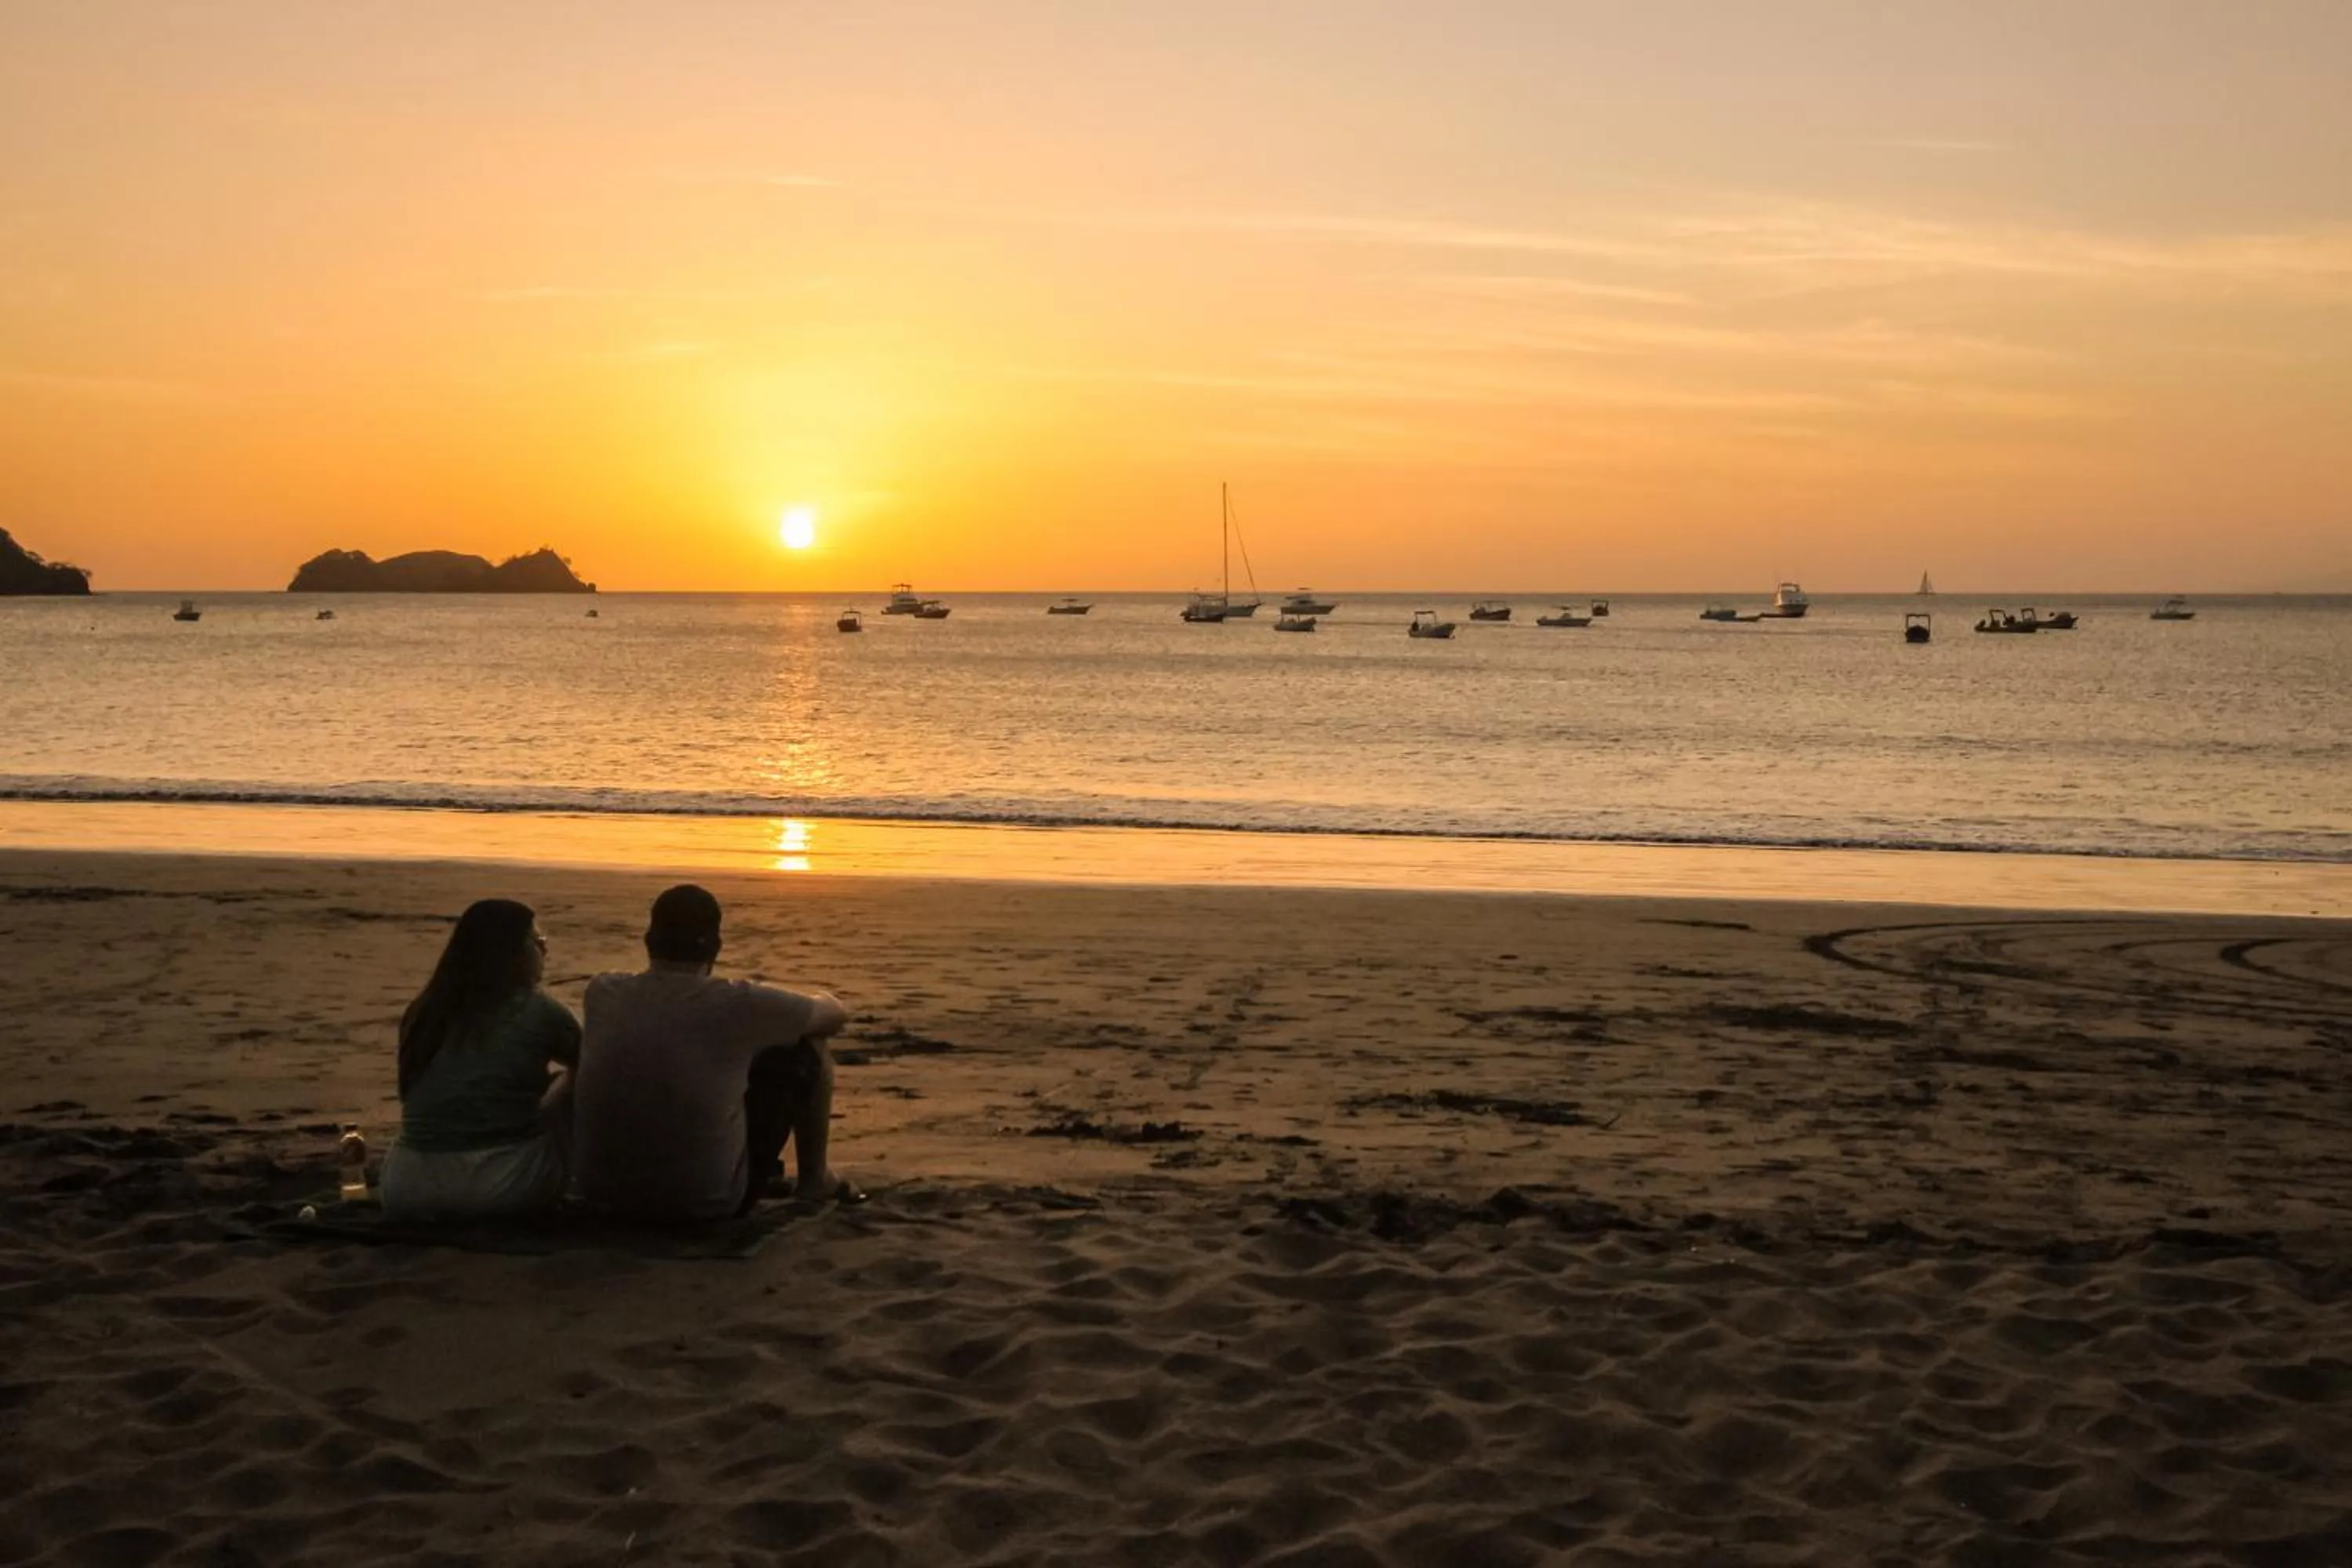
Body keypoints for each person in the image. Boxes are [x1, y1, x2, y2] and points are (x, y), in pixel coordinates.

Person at [571, 884, 851, 1220]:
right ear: (717, 947)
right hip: (706, 1201)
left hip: (599, 1193)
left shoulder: (602, 991)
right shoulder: (737, 1002)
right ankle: (815, 1178)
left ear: (648, 942)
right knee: (809, 1046)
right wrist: (811, 998)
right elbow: (835, 1016)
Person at [379, 898, 580, 1218]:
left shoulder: (424, 1011)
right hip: (501, 1187)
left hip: (406, 1188)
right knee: (573, 1080)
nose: (545, 951)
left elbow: (408, 1093)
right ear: (515, 952)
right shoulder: (538, 1011)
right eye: (538, 942)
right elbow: (597, 1069)